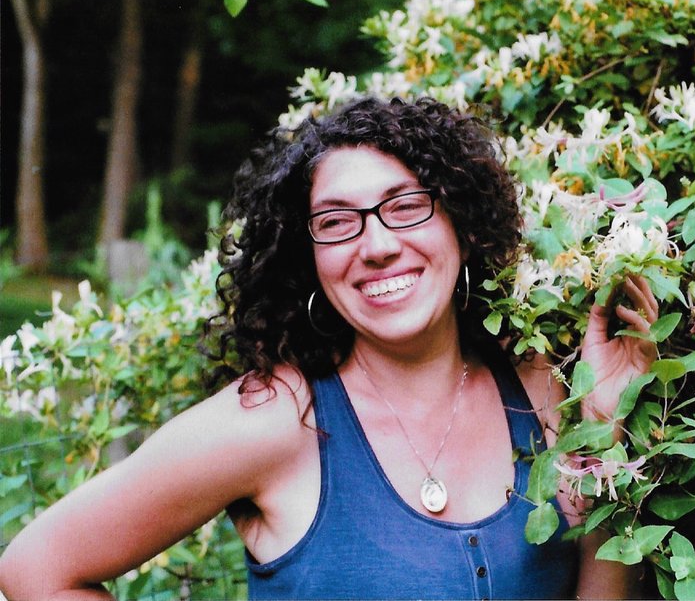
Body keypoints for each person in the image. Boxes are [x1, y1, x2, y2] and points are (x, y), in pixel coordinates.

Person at [0, 96, 658, 599]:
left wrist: (603, 433)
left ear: (461, 223)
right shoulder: (275, 420)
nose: (377, 245)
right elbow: (37, 569)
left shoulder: (542, 389)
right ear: (308, 257)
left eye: (406, 206)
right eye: (337, 222)